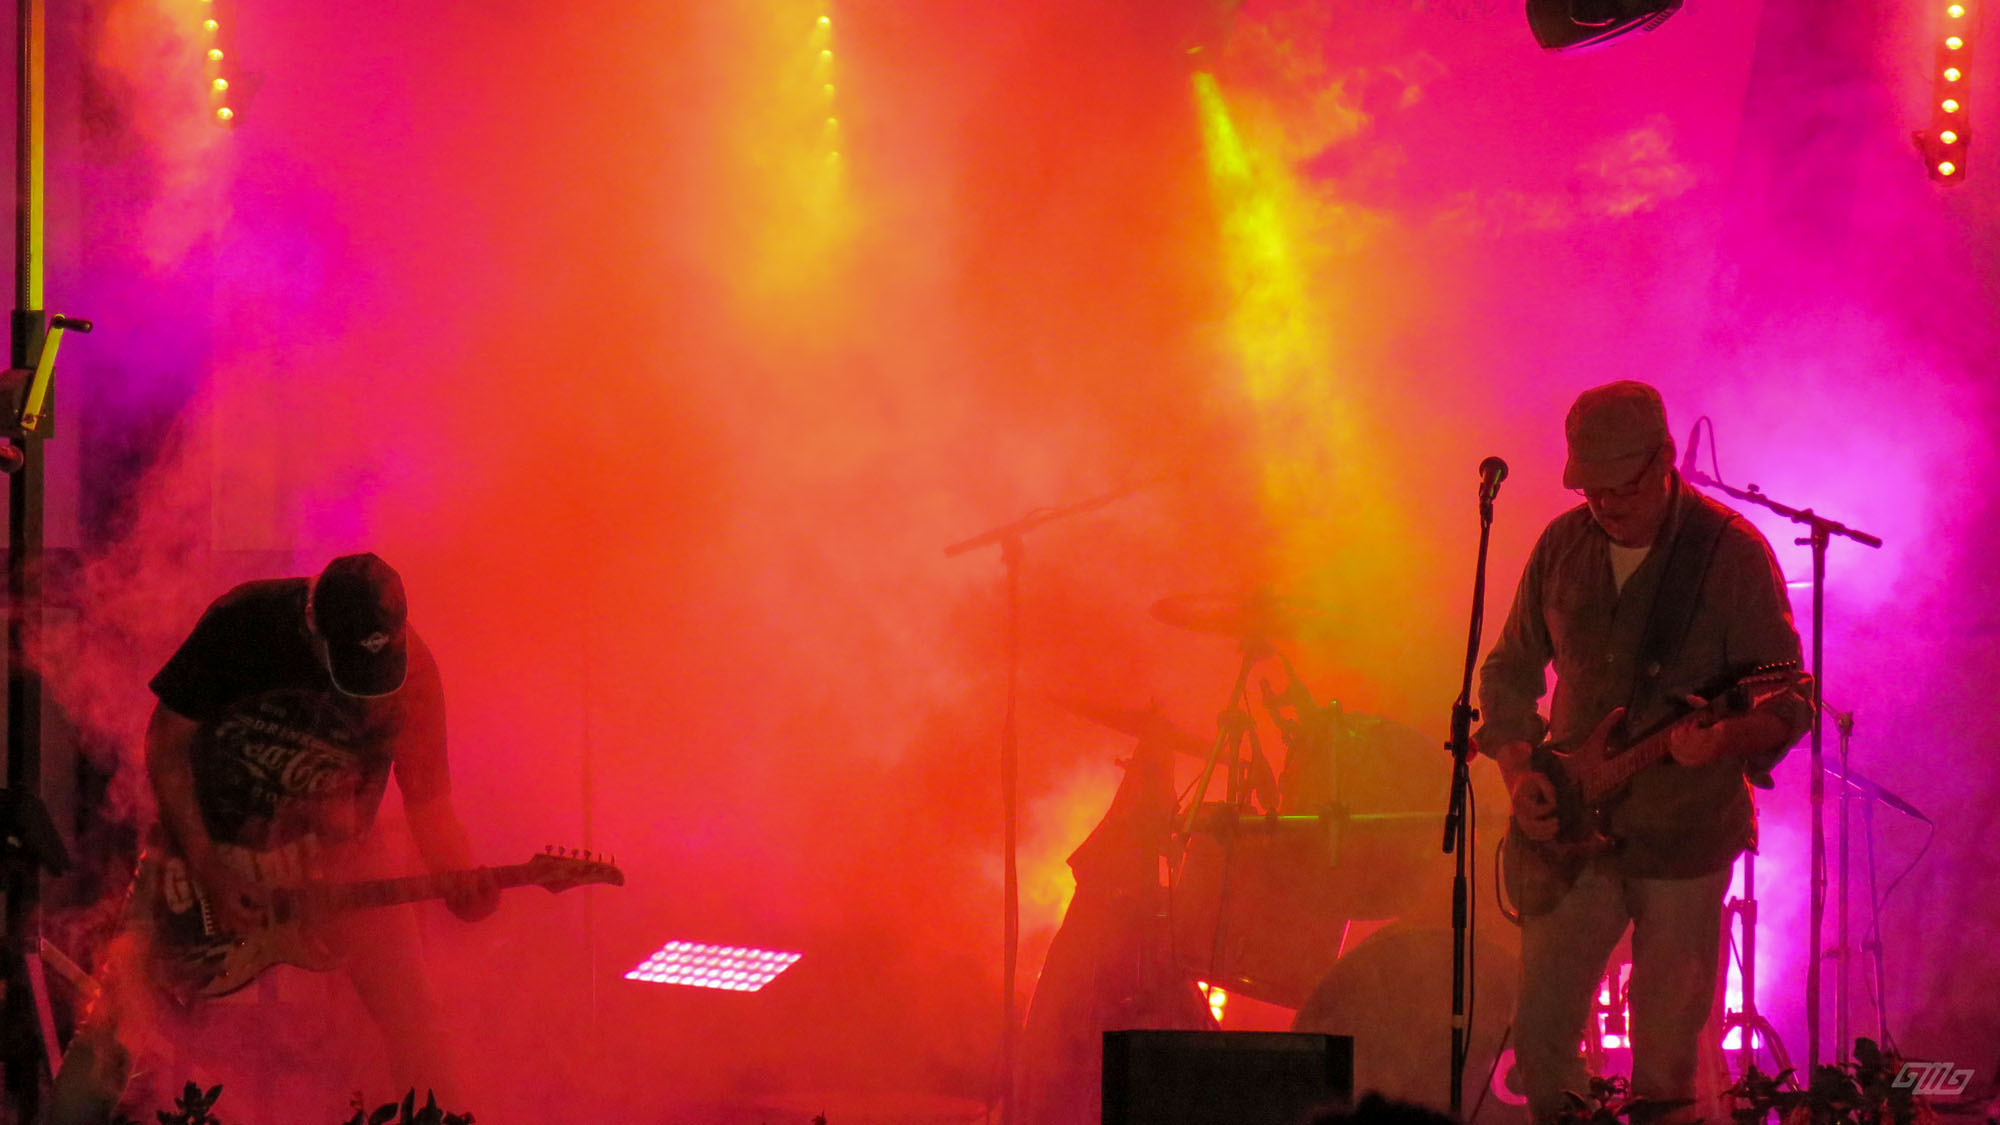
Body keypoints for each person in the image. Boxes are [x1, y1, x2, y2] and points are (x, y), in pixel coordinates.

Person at [48, 553, 498, 1123]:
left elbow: (429, 808)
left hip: (338, 862)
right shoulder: (247, 622)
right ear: (313, 624)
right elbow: (167, 741)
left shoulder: (417, 678)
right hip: (206, 848)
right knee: (118, 1019)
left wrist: (459, 877)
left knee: (412, 1014)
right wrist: (208, 863)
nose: (366, 689)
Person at [1475, 382, 1811, 1123]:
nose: (1604, 505)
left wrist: (1723, 738)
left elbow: (1790, 699)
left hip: (1684, 837)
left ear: (1664, 459)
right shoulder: (1562, 545)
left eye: (1621, 487)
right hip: (1570, 834)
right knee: (1540, 1039)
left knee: (1665, 1063)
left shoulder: (1730, 554)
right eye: (1589, 489)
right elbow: (1507, 671)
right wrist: (1519, 769)